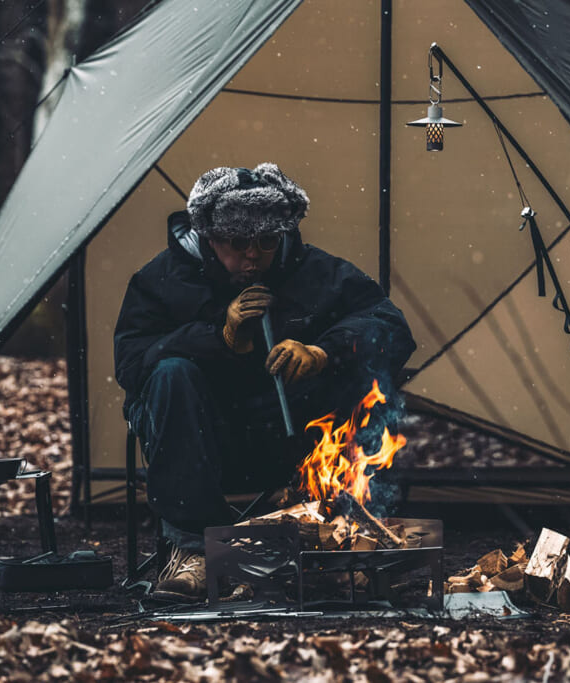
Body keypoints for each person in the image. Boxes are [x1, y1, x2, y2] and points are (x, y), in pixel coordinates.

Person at [114, 164, 416, 602]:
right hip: (200, 442)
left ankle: (344, 537)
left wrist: (323, 353)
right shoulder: (161, 280)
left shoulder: (317, 272)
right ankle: (196, 553)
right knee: (170, 374)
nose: (253, 255)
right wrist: (216, 337)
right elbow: (131, 363)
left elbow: (392, 328)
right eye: (238, 243)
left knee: (367, 364)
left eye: (267, 242)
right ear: (210, 237)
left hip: (291, 441)